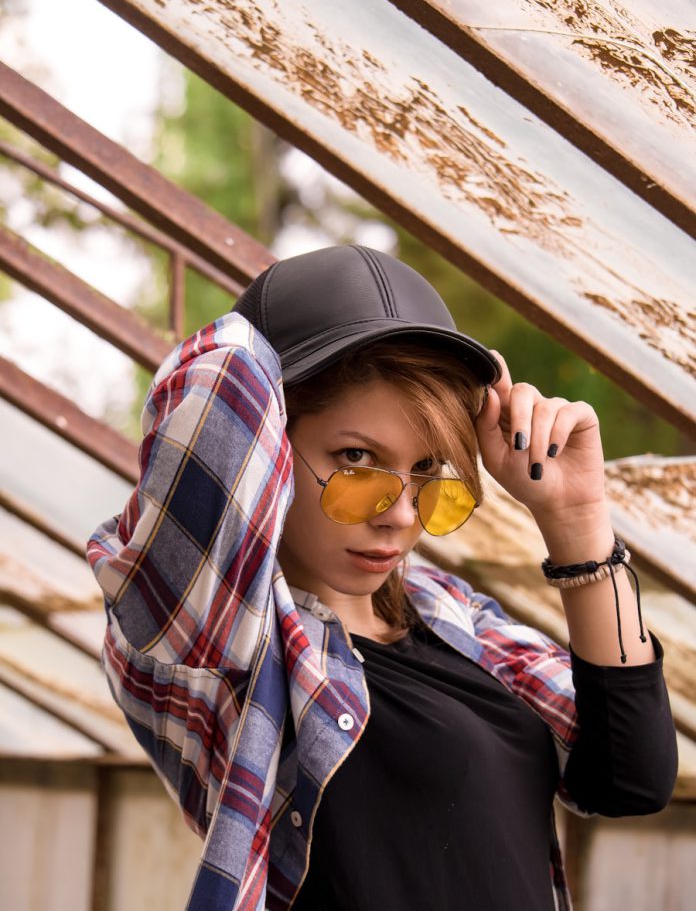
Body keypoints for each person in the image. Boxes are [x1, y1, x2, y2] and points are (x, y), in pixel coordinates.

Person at [87, 245, 677, 911]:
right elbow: (223, 391)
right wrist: (283, 328)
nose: (399, 514)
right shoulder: (225, 644)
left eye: (428, 473)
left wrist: (579, 518)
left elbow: (631, 776)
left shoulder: (454, 617)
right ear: (276, 446)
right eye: (357, 460)